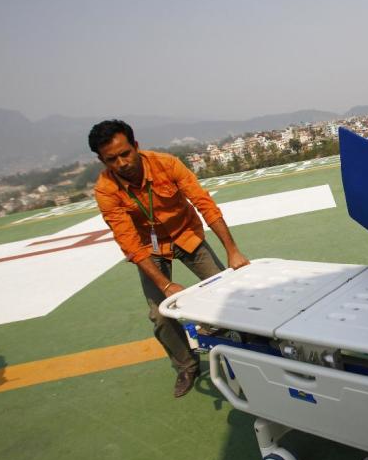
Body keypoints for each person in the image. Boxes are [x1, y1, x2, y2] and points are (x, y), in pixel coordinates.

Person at [88, 120, 250, 398]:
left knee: (225, 293)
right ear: (102, 160)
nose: (122, 163)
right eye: (112, 159)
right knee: (160, 315)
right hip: (150, 249)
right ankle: (186, 366)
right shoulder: (105, 190)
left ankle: (246, 349)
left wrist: (232, 249)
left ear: (136, 146)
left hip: (186, 234)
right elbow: (129, 243)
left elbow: (204, 204)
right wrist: (165, 286)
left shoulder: (167, 164)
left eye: (126, 153)